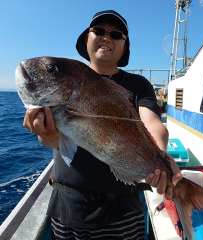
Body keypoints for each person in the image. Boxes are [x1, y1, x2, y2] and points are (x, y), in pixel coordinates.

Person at [23, 10, 182, 240]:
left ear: (124, 47)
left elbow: (154, 124)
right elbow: (53, 140)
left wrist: (160, 161)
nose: (106, 37)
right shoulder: (67, 79)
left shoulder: (138, 85)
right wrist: (43, 133)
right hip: (68, 209)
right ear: (86, 38)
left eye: (116, 34)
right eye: (98, 31)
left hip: (123, 212)